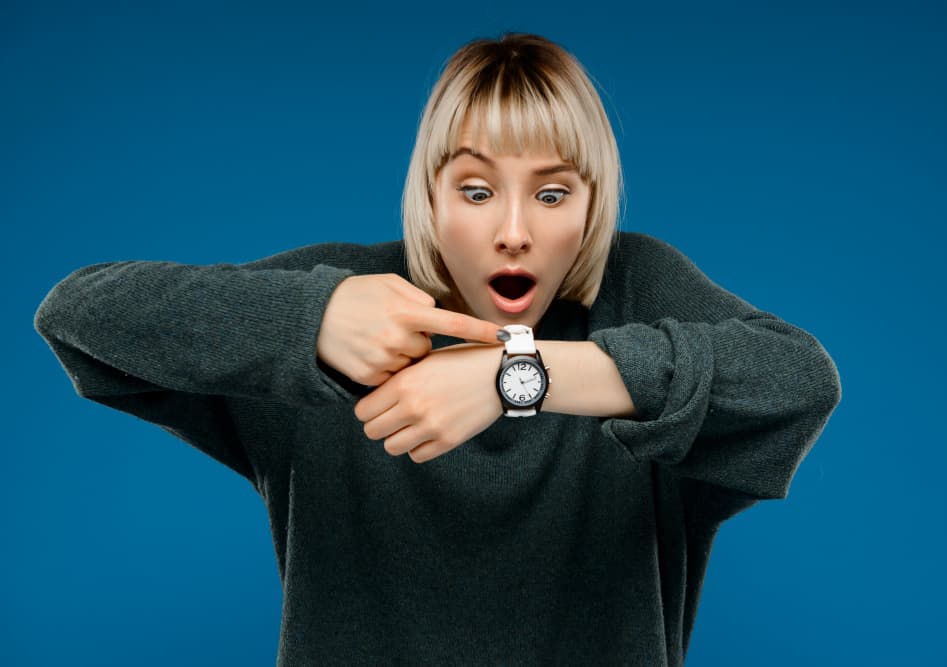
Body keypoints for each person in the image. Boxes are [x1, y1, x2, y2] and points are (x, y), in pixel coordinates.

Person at [34, 32, 842, 666]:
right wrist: (308, 321)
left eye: (552, 193)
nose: (515, 231)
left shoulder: (635, 288)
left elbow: (799, 379)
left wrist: (515, 376)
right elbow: (79, 317)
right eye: (477, 190)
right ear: (431, 194)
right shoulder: (343, 295)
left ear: (592, 209)